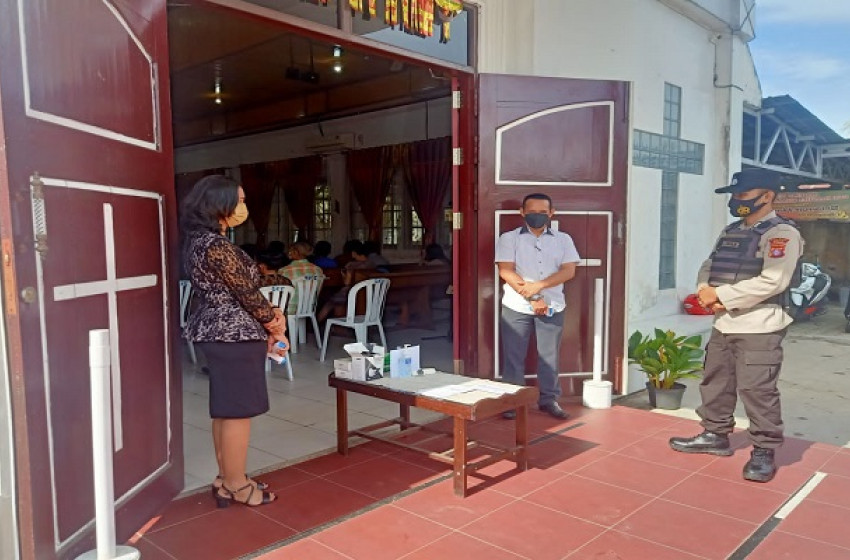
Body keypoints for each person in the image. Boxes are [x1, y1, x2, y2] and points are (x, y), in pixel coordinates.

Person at [669, 168, 803, 483]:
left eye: (743, 195)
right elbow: (710, 265)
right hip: (724, 322)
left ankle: (764, 450)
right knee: (715, 382)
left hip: (759, 325)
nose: (736, 200)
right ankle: (714, 434)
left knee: (758, 390)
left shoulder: (781, 233)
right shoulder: (731, 230)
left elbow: (774, 280)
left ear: (767, 196)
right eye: (734, 195)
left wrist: (722, 296)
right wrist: (705, 291)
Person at [181, 174, 288, 508]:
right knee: (239, 411)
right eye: (239, 201)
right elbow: (246, 292)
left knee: (226, 410)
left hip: (219, 330)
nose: (243, 207)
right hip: (234, 333)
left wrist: (269, 315)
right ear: (219, 204)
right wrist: (274, 323)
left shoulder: (199, 241)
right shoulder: (216, 246)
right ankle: (237, 484)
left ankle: (226, 478)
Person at [495, 193, 580, 420]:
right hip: (516, 307)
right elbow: (506, 271)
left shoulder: (564, 240)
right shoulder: (509, 239)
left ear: (551, 213)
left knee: (549, 357)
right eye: (532, 212)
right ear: (522, 213)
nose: (537, 216)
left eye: (543, 212)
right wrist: (533, 297)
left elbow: (569, 271)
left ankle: (549, 400)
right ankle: (513, 402)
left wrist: (540, 286)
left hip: (552, 306)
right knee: (513, 358)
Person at [279, 241, 323, 314]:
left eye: (290, 250)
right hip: (309, 308)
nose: (288, 253)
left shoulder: (284, 270)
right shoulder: (318, 270)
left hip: (289, 309)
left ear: (296, 252)